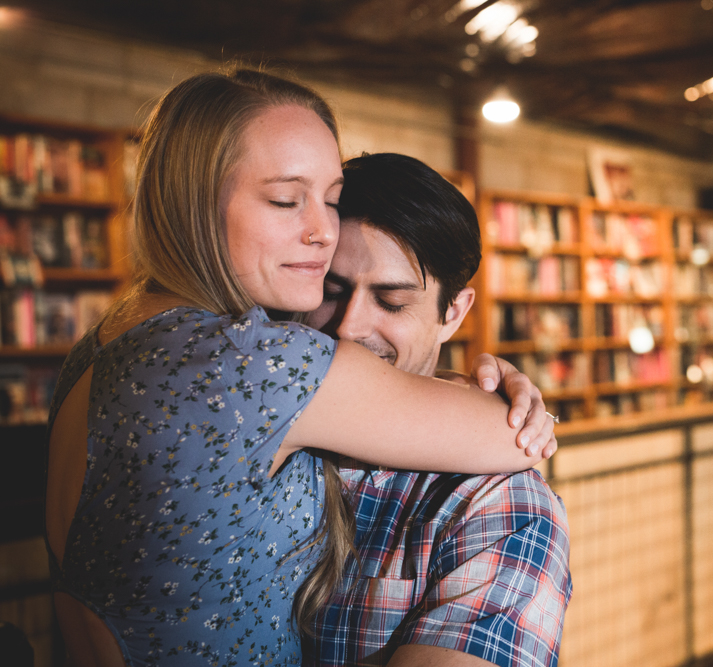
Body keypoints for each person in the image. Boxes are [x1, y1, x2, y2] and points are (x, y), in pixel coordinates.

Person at [45, 68, 555, 667]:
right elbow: (517, 434)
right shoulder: (249, 365)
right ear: (194, 204)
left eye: (331, 200)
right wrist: (501, 394)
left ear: (455, 312)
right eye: (287, 200)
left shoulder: (110, 339)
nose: (320, 231)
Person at [301, 153, 572, 667]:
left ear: (455, 312)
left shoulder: (495, 503)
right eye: (329, 290)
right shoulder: (259, 418)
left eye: (393, 302)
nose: (348, 327)